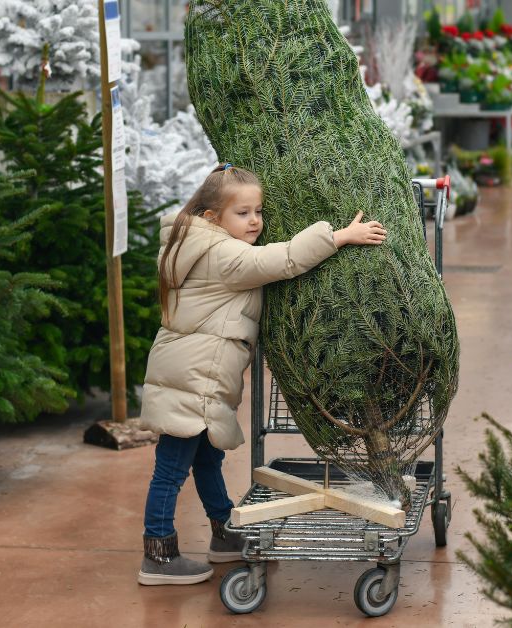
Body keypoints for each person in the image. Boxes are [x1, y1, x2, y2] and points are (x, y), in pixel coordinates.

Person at [137, 163, 387, 585]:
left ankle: (223, 534)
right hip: (194, 376)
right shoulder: (221, 254)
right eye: (243, 213)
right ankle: (158, 555)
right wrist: (339, 236)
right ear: (214, 217)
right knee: (173, 465)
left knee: (207, 457)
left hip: (194, 370)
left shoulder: (196, 240)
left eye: (258, 211)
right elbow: (283, 259)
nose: (255, 221)